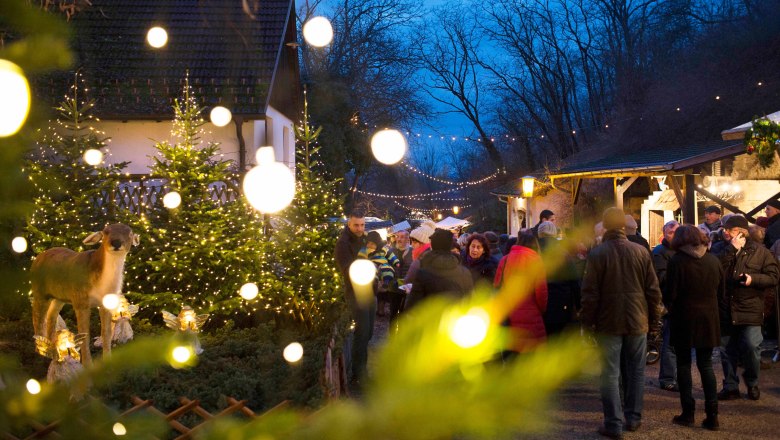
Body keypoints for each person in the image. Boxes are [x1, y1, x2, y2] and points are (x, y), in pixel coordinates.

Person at [580, 207, 663, 439]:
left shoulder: (598, 254)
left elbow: (589, 294)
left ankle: (613, 422)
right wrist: (655, 320)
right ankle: (634, 418)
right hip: (638, 320)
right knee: (636, 371)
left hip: (608, 322)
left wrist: (587, 323)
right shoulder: (640, 251)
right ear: (624, 227)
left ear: (605, 226)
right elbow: (653, 291)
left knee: (610, 373)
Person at [711, 215, 779, 401]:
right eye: (725, 229)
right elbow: (714, 271)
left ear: (742, 231)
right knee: (727, 350)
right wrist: (731, 250)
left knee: (751, 346)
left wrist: (753, 279)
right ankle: (731, 386)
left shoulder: (761, 252)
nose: (725, 232)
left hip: (750, 306)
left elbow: (773, 276)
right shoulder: (719, 249)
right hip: (726, 307)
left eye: (730, 230)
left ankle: (752, 383)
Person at [665, 225, 724, 430]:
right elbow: (721, 292)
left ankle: (688, 412)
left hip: (684, 318)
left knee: (683, 364)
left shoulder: (677, 261)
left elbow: (670, 293)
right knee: (706, 365)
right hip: (709, 318)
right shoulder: (713, 260)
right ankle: (712, 415)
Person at [334, 210, 372, 386]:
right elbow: (348, 270)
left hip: (370, 291)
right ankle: (358, 376)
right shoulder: (343, 243)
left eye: (363, 225)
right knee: (361, 334)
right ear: (349, 224)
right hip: (356, 294)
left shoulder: (364, 239)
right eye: (356, 225)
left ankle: (361, 370)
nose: (360, 228)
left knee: (368, 333)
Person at [495, 232, 548, 355]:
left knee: (513, 353)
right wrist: (541, 310)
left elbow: (497, 285)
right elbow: (541, 291)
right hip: (532, 313)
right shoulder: (536, 260)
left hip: (510, 312)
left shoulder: (505, 259)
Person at [406, 229, 473, 310]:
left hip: (430, 320)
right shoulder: (465, 272)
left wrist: (410, 292)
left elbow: (412, 307)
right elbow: (469, 301)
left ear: (432, 246)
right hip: (455, 318)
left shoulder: (423, 273)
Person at [537, 221, 580, 336]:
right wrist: (579, 305)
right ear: (554, 234)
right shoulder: (563, 254)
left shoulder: (534, 253)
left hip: (538, 305)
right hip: (561, 303)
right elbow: (574, 280)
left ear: (539, 234)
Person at [652, 220, 680, 392]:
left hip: (680, 302)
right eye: (671, 233)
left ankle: (675, 376)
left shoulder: (680, 251)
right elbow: (659, 278)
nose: (674, 235)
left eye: (677, 232)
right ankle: (668, 378)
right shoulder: (660, 252)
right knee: (670, 342)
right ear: (665, 234)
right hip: (670, 302)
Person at [360, 231, 401, 317]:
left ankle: (386, 281)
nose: (370, 245)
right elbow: (360, 257)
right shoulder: (365, 250)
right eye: (368, 243)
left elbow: (391, 255)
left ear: (377, 244)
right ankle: (375, 279)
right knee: (372, 269)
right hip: (372, 264)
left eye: (372, 244)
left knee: (389, 269)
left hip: (383, 264)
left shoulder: (383, 249)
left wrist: (396, 261)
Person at [389, 230, 413, 322]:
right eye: (397, 236)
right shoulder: (391, 251)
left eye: (402, 237)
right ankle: (392, 335)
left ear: (407, 239)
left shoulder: (412, 252)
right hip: (393, 288)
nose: (399, 239)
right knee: (393, 314)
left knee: (404, 315)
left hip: (407, 288)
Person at [405, 220, 437, 284]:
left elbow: (408, 281)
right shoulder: (435, 256)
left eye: (415, 242)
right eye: (412, 242)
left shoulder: (419, 261)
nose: (412, 245)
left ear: (424, 243)